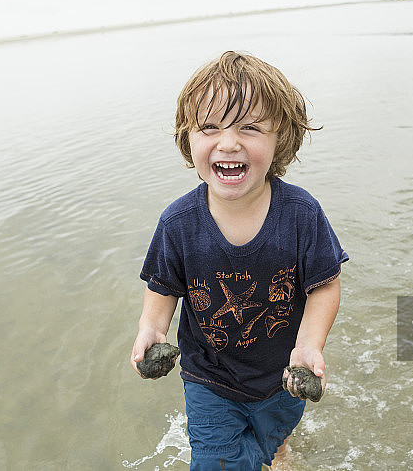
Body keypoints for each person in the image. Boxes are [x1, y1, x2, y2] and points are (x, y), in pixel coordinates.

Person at [130, 50, 348, 470]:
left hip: (281, 377)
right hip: (209, 379)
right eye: (210, 127)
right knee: (218, 461)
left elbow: (324, 283)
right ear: (187, 138)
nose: (228, 142)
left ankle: (278, 448)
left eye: (249, 128)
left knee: (270, 441)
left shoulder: (302, 215)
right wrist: (150, 329)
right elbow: (162, 286)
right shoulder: (178, 223)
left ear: (279, 138)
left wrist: (308, 344)